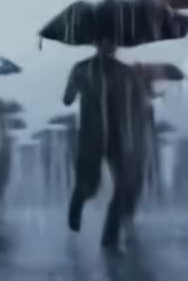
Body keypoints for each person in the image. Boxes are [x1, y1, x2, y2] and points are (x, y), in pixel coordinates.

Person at [62, 38, 145, 250]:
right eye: (105, 42)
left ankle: (110, 237)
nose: (108, 46)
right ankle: (80, 198)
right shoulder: (85, 69)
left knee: (122, 186)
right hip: (96, 136)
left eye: (110, 42)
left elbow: (137, 102)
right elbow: (68, 99)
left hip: (114, 136)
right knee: (93, 185)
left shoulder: (123, 72)